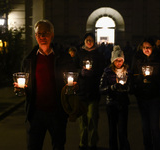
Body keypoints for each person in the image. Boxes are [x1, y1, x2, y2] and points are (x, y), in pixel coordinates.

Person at [15, 20, 68, 150]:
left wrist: (73, 86)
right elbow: (25, 83)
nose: (42, 37)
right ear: (35, 35)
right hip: (36, 113)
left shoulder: (62, 58)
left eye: (45, 33)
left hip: (57, 112)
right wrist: (20, 89)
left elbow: (71, 79)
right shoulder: (29, 60)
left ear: (52, 35)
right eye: (39, 34)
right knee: (33, 146)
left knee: (58, 145)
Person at [130, 37, 160, 150]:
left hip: (154, 96)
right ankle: (147, 146)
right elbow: (133, 75)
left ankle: (158, 147)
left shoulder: (159, 59)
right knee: (145, 126)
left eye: (148, 47)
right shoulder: (137, 58)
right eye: (144, 47)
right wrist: (139, 81)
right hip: (141, 96)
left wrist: (156, 78)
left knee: (154, 126)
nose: (146, 49)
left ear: (153, 48)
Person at [73, 32, 106, 150]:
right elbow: (73, 68)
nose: (89, 42)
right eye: (87, 40)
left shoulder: (98, 54)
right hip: (81, 91)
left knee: (92, 117)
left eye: (91, 40)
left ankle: (92, 143)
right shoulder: (79, 53)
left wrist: (94, 73)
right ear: (84, 41)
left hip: (93, 90)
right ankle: (83, 143)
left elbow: (103, 71)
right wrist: (80, 72)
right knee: (82, 120)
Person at [99, 45, 130, 150]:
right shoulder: (107, 72)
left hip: (123, 103)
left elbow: (132, 87)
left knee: (122, 130)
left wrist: (127, 88)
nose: (119, 62)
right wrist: (112, 87)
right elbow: (101, 89)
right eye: (116, 60)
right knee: (112, 130)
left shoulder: (127, 72)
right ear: (112, 61)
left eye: (121, 60)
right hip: (111, 104)